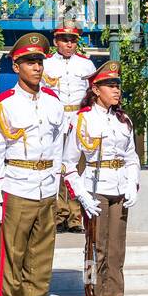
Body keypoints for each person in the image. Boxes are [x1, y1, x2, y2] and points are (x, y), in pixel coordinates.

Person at [0, 31, 96, 296]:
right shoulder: (3, 105)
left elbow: (63, 155)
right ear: (16, 66)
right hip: (17, 189)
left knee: (40, 266)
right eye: (29, 62)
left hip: (47, 190)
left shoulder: (54, 104)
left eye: (39, 61)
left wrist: (77, 190)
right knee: (13, 267)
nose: (36, 67)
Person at [64, 60, 141, 296]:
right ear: (95, 89)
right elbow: (68, 164)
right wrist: (82, 196)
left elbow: (132, 158)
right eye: (110, 85)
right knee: (96, 253)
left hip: (119, 188)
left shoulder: (124, 120)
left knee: (116, 254)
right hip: (95, 188)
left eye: (117, 85)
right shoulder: (82, 119)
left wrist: (133, 184)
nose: (116, 90)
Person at [42, 25, 97, 232]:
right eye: (64, 40)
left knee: (76, 167)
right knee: (56, 166)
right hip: (55, 119)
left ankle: (75, 217)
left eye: (72, 40)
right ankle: (58, 214)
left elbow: (93, 93)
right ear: (56, 41)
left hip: (77, 117)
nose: (69, 44)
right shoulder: (46, 63)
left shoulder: (86, 64)